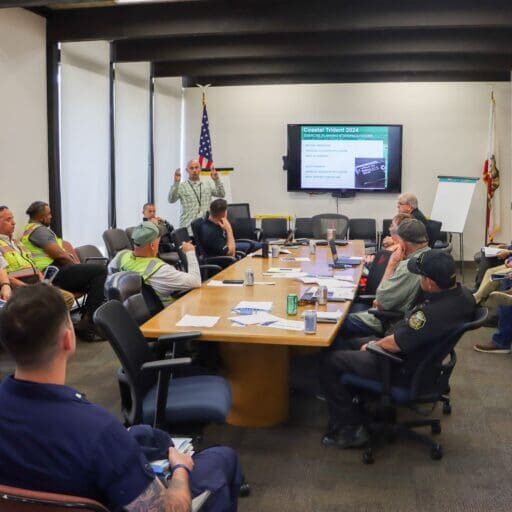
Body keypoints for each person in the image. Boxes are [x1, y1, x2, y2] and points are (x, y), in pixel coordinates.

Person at [0, 284, 243, 512]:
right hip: (119, 489)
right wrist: (180, 468)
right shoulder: (99, 430)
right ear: (67, 339)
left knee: (145, 435)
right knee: (223, 457)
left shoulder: (97, 431)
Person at [320, 250, 476, 449]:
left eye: (420, 275)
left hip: (399, 365)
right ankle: (357, 403)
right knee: (345, 344)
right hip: (422, 360)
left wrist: (372, 346)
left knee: (330, 361)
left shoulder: (429, 315)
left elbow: (396, 344)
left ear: (429, 282)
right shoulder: (464, 297)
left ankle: (350, 430)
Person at [331, 218, 430, 347]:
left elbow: (380, 300)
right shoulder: (428, 255)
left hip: (385, 321)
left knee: (335, 323)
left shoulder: (408, 267)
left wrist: (392, 264)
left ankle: (336, 359)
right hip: (402, 319)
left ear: (404, 244)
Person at [20, 201, 107, 340]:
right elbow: (59, 254)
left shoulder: (33, 229)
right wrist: (76, 267)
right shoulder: (38, 231)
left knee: (95, 283)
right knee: (100, 271)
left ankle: (86, 321)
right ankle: (89, 322)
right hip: (52, 272)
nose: (51, 216)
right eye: (48, 214)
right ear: (41, 217)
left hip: (54, 270)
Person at [109, 221, 201, 305]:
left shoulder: (121, 255)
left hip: (135, 313)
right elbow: (195, 281)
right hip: (167, 315)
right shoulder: (159, 270)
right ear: (152, 245)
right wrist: (190, 252)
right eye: (158, 241)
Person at [0, 205, 74, 308]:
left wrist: (42, 279)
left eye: (13, 218)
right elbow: (6, 277)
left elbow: (32, 264)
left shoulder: (17, 243)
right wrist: (29, 289)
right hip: (18, 287)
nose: (14, 222)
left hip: (35, 282)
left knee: (66, 298)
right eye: (8, 219)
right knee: (62, 300)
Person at [168, 159, 225, 231]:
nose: (194, 170)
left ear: (200, 168)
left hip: (206, 229)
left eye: (196, 167)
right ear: (187, 170)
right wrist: (176, 183)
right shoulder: (181, 186)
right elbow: (171, 200)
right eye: (191, 168)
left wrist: (217, 180)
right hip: (188, 228)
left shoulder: (208, 184)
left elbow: (222, 194)